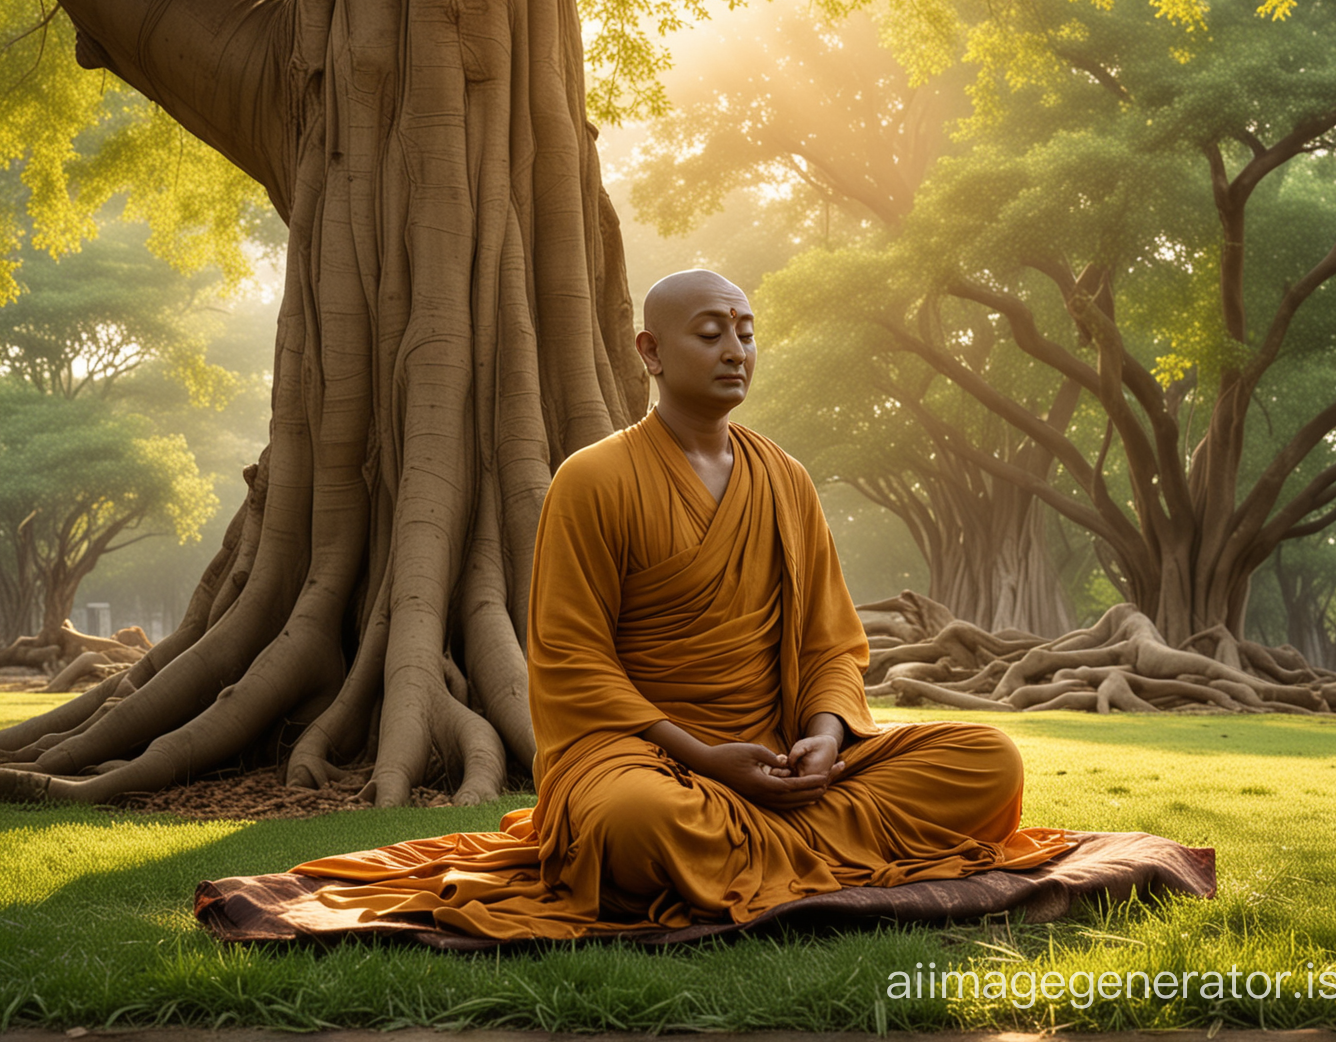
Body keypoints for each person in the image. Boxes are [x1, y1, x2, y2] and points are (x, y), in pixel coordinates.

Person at [293, 268, 1073, 939]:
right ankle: (787, 845)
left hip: (778, 754)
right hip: (645, 761)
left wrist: (825, 740)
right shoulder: (592, 478)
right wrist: (702, 758)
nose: (736, 351)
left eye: (746, 332)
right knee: (636, 823)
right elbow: (571, 661)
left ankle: (748, 846)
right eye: (711, 334)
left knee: (987, 760)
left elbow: (832, 645)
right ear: (650, 351)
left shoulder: (786, 480)